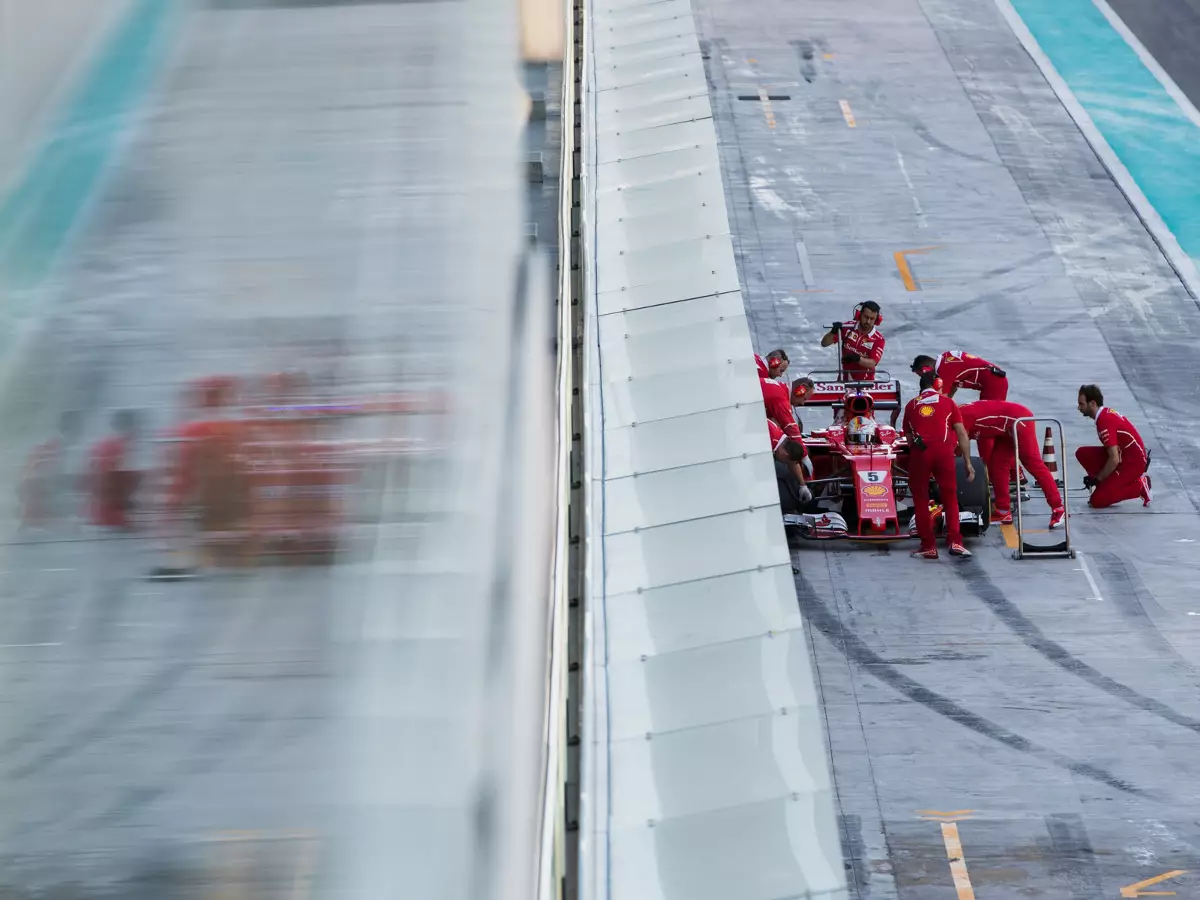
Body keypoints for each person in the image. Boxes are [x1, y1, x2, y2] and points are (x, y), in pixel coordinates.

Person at [958, 400, 1064, 528]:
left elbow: (955, 451)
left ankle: (1058, 508)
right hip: (1006, 428)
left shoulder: (961, 419)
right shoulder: (955, 416)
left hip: (1019, 420)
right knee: (998, 464)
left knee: (1033, 463)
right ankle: (1003, 512)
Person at [902, 372, 975, 559]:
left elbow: (909, 439)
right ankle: (955, 542)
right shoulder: (948, 403)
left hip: (921, 453)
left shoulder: (911, 405)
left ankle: (928, 545)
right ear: (937, 384)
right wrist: (967, 462)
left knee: (920, 500)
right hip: (944, 453)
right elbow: (962, 434)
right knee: (950, 498)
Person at [1075, 384, 1151, 508]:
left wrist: (1098, 478)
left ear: (1092, 403)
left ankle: (1141, 486)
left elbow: (1114, 459)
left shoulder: (1104, 421)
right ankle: (1106, 486)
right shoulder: (1104, 415)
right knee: (1082, 454)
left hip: (1133, 463)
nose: (1079, 407)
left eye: (1081, 404)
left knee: (1097, 501)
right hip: (1125, 456)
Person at [87, 410, 141, 529]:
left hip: (99, 514)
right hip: (113, 517)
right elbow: (114, 484)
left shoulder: (101, 445)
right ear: (131, 427)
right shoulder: (119, 448)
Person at [820, 301, 884, 381]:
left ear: (877, 320)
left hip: (866, 383)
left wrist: (857, 358)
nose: (868, 321)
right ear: (859, 315)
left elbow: (872, 363)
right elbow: (824, 343)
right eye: (866, 317)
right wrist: (833, 332)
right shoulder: (848, 327)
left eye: (872, 319)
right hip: (843, 380)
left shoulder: (878, 339)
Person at [768, 419, 812, 512]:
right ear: (785, 455)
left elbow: (793, 463)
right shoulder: (768, 441)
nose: (787, 465)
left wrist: (802, 485)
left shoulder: (780, 438)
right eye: (787, 463)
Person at [761, 372, 802, 439]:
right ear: (800, 391)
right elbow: (791, 428)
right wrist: (802, 449)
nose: (802, 403)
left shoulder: (776, 388)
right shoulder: (780, 397)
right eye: (804, 399)